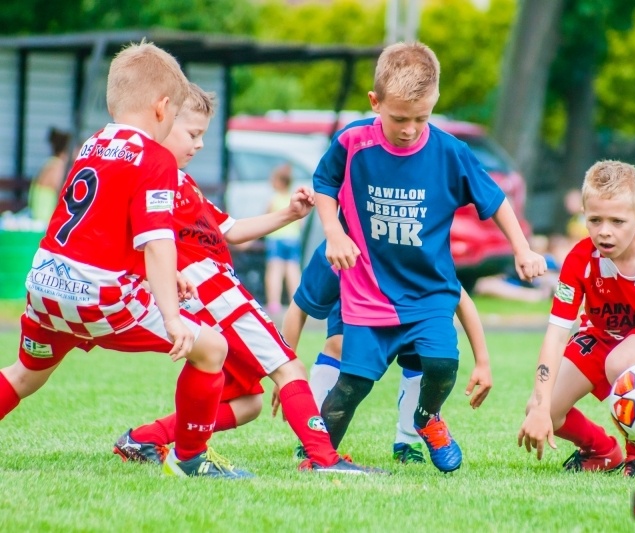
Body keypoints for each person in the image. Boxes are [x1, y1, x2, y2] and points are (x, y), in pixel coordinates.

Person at [0, 42, 249, 479]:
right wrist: (172, 316)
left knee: (24, 375)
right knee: (211, 347)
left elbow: (104, 226)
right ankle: (189, 459)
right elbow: (156, 240)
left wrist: (166, 274)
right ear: (162, 107)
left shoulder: (94, 144)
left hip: (45, 284)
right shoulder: (156, 159)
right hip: (100, 295)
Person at [114, 83, 377, 475]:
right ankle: (324, 458)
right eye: (192, 134)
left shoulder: (183, 182)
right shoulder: (157, 178)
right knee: (288, 367)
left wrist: (288, 214)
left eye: (203, 134)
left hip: (214, 294)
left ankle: (146, 437)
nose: (199, 144)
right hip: (215, 295)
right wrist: (171, 274)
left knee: (248, 402)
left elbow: (230, 229)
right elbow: (142, 240)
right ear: (162, 120)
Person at [313, 41, 546, 473]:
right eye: (399, 117)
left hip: (429, 293)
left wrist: (522, 248)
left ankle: (427, 419)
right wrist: (333, 233)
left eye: (422, 117)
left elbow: (494, 201)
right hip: (370, 293)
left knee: (442, 363)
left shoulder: (450, 152)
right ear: (375, 101)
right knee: (354, 383)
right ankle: (319, 454)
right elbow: (324, 184)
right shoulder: (352, 144)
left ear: (435, 101)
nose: (409, 128)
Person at [517, 160, 635, 479]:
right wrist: (539, 404)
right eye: (595, 220)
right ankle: (601, 451)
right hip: (601, 333)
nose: (605, 231)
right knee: (544, 408)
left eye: (618, 221)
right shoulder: (578, 260)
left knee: (620, 362)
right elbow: (556, 335)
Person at [276, 240, 493, 464]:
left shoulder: (410, 246)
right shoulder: (338, 252)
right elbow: (299, 307)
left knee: (423, 355)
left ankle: (408, 440)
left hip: (408, 304)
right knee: (338, 345)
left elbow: (459, 296)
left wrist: (482, 361)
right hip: (358, 300)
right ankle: (314, 439)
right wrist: (286, 371)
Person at [264, 164, 303, 316]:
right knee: (293, 270)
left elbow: (265, 218)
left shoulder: (274, 199)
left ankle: (274, 303)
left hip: (276, 239)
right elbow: (300, 222)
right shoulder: (292, 199)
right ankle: (296, 302)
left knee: (275, 271)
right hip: (293, 238)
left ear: (279, 182)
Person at [29, 127, 71, 223]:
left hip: (41, 217)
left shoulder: (50, 163)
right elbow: (66, 196)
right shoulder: (57, 167)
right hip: (46, 220)